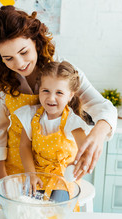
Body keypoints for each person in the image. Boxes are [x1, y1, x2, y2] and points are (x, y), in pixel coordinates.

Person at [0, 5, 117, 185]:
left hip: (58, 171)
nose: (20, 63)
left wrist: (98, 134)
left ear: (35, 42)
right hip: (18, 166)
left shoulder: (63, 73)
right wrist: (0, 169)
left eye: (24, 52)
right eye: (8, 58)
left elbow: (104, 107)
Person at [14, 61, 90, 200]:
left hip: (62, 177)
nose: (51, 98)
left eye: (59, 92)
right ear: (39, 89)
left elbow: (86, 151)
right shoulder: (31, 115)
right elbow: (24, 146)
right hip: (37, 175)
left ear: (70, 95)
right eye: (46, 91)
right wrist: (31, 174)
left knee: (55, 210)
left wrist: (78, 164)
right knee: (28, 207)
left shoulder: (72, 122)